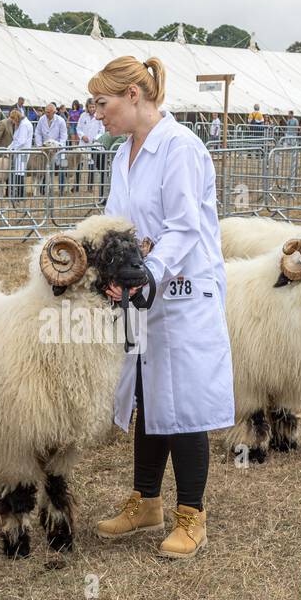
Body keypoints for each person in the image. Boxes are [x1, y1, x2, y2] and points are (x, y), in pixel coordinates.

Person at [90, 56, 234, 560]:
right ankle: (146, 501)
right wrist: (107, 269)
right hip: (141, 290)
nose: (97, 114)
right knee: (149, 395)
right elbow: (116, 222)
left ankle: (191, 515)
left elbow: (184, 226)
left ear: (133, 94)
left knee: (184, 400)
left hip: (182, 290)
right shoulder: (121, 154)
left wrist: (149, 273)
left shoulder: (180, 148)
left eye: (102, 103)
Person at [34, 101, 68, 192]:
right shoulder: (42, 119)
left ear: (54, 112)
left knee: (61, 168)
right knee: (45, 168)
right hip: (46, 149)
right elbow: (37, 132)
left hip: (58, 149)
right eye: (46, 111)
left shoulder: (60, 121)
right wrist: (39, 145)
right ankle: (43, 189)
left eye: (48, 112)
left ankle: (61, 190)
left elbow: (64, 136)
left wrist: (58, 146)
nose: (46, 114)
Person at [75, 96, 105, 194]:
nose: (92, 109)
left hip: (94, 145)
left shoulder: (99, 116)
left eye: (93, 107)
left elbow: (102, 130)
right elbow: (78, 128)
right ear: (87, 107)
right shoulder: (83, 116)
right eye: (90, 107)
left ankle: (90, 186)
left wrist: (96, 138)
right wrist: (82, 136)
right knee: (79, 165)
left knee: (91, 166)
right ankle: (76, 186)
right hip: (83, 143)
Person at [7, 108, 32, 199]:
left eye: (13, 119)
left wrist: (12, 149)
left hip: (23, 152)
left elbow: (21, 141)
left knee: (20, 172)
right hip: (19, 151)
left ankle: (21, 195)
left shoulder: (24, 125)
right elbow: (16, 140)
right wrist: (9, 148)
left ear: (16, 118)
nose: (13, 122)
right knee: (18, 172)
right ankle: (18, 194)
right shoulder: (21, 124)